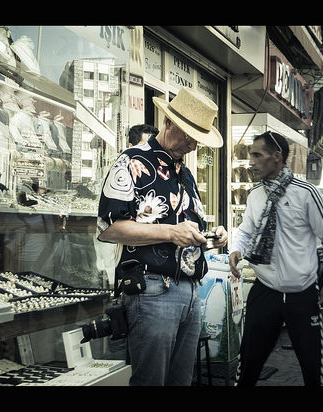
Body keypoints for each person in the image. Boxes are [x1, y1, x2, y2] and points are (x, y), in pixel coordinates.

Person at [96, 87, 228, 386]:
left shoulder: (185, 173)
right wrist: (170, 232)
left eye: (197, 139)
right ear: (168, 123)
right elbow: (109, 228)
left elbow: (186, 228)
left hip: (190, 290)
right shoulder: (132, 160)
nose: (193, 145)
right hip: (153, 289)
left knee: (181, 381)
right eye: (188, 136)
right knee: (151, 380)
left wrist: (212, 236)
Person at [228, 131, 323, 386]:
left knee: (311, 369)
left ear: (276, 156)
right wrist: (236, 248)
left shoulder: (306, 193)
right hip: (265, 289)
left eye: (257, 155)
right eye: (250, 156)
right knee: (248, 365)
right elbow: (246, 230)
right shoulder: (255, 195)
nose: (251, 162)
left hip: (302, 293)